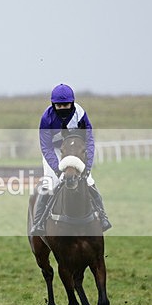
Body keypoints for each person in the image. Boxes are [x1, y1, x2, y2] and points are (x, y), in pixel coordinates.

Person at [32, 83, 111, 234]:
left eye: (65, 105)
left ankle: (103, 216)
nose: (62, 108)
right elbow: (46, 147)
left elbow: (89, 141)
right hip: (54, 150)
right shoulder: (46, 118)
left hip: (74, 149)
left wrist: (87, 167)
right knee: (50, 183)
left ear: (72, 103)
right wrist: (57, 169)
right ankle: (39, 222)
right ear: (53, 104)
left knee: (89, 181)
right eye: (59, 105)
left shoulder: (80, 114)